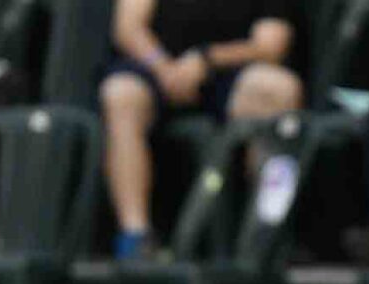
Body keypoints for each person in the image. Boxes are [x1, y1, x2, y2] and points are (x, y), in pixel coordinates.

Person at [100, 0, 304, 259]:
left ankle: (263, 235)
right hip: (154, 66)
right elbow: (128, 28)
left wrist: (206, 59)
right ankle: (135, 235)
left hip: (226, 71)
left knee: (280, 90)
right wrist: (165, 69)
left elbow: (271, 45)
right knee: (120, 94)